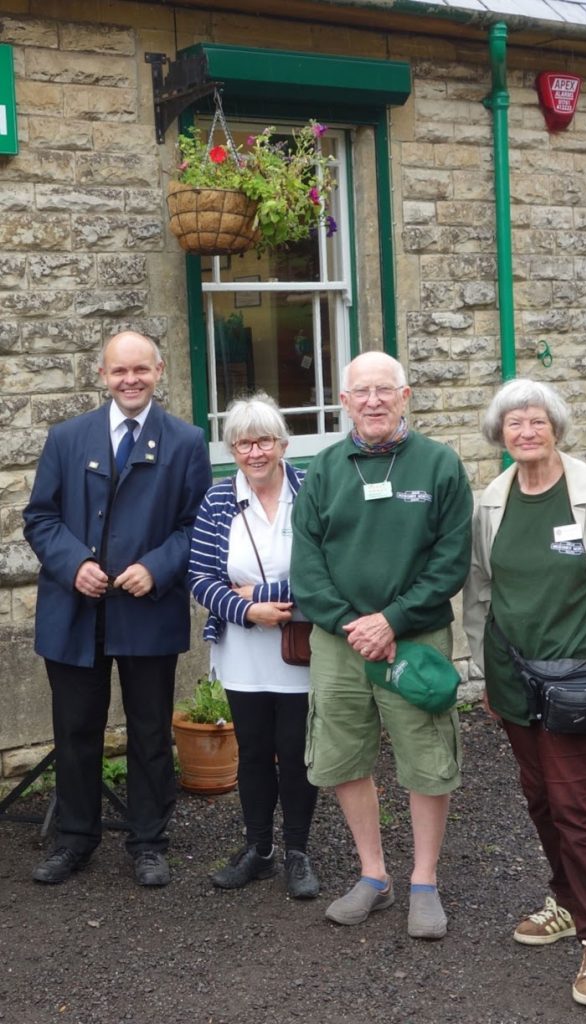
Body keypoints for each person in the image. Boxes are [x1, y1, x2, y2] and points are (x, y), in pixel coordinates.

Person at [463, 378, 586, 1007]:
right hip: (515, 678)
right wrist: (486, 673)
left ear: (556, 428)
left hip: (578, 681)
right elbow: (480, 595)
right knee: (540, 798)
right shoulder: (492, 500)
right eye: (514, 423)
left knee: (576, 807)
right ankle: (567, 902)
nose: (526, 432)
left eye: (536, 422)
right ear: (500, 435)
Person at [290, 351, 472, 940]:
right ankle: (373, 875)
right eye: (360, 391)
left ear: (405, 395)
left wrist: (391, 620)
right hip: (340, 643)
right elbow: (307, 563)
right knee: (345, 757)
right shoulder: (323, 469)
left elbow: (450, 562)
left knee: (426, 761)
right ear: (343, 401)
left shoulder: (440, 465)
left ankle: (424, 880)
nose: (372, 401)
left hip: (414, 641)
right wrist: (353, 624)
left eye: (383, 390)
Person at [22, 330, 212, 887]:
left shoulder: (186, 441)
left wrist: (156, 566)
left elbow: (195, 525)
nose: (130, 380)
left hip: (147, 610)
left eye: (141, 370)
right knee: (75, 730)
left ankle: (149, 841)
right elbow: (41, 518)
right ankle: (75, 838)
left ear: (160, 371)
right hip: (74, 611)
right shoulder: (66, 437)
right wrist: (72, 562)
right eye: (118, 371)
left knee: (150, 732)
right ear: (101, 376)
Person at [187, 393, 320, 899]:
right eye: (243, 443)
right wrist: (246, 610)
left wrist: (260, 596)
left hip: (300, 647)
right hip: (243, 649)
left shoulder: (310, 492)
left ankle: (298, 852)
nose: (254, 452)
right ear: (232, 450)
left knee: (297, 751)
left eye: (263, 440)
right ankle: (259, 850)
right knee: (254, 754)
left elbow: (325, 574)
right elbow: (199, 577)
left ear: (283, 444)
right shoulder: (218, 500)